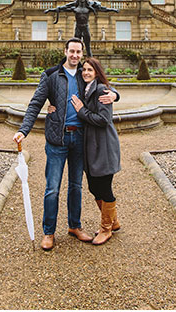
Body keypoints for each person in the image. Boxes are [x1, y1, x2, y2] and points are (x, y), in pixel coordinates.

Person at [13, 38, 118, 251]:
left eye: (78, 52)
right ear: (65, 51)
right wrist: (23, 130)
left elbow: (102, 85)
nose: (75, 56)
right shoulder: (51, 75)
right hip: (57, 139)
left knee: (76, 187)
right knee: (52, 188)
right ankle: (49, 232)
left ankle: (74, 226)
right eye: (72, 51)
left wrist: (115, 94)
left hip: (80, 139)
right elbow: (36, 103)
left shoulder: (83, 74)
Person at [70, 57, 121, 245]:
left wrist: (82, 111)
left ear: (97, 72)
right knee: (93, 186)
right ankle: (113, 222)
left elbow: (104, 119)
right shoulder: (87, 88)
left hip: (104, 145)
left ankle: (106, 229)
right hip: (92, 145)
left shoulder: (100, 90)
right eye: (84, 70)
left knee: (104, 187)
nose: (85, 73)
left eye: (90, 70)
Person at [44, 0, 118, 57]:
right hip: (78, 28)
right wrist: (49, 10)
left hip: (85, 27)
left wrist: (113, 9)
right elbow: (61, 9)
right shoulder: (74, 9)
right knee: (76, 47)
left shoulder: (89, 8)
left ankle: (91, 63)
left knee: (88, 47)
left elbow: (103, 9)